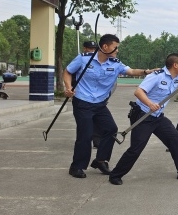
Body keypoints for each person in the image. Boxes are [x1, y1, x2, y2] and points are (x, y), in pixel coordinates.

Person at [108, 53, 178, 185]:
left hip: (158, 117)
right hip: (143, 116)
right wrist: (150, 103)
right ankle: (115, 175)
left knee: (176, 139)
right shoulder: (156, 76)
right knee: (137, 147)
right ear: (175, 65)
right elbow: (138, 92)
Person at [64, 34, 154, 179]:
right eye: (115, 47)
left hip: (100, 104)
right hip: (83, 102)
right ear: (105, 47)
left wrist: (146, 72)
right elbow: (68, 71)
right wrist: (68, 87)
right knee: (85, 135)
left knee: (111, 129)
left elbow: (131, 71)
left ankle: (101, 160)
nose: (117, 50)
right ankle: (77, 167)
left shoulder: (115, 63)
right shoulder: (84, 59)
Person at [81, 41, 103, 149]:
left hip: (98, 97)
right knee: (85, 124)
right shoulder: (81, 59)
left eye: (94, 49)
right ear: (85, 48)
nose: (93, 51)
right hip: (84, 98)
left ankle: (97, 141)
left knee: (97, 121)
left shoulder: (100, 61)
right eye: (90, 49)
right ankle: (85, 141)